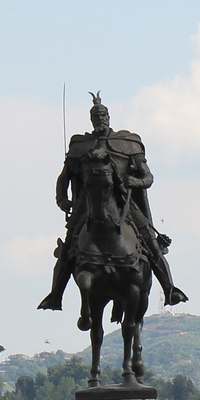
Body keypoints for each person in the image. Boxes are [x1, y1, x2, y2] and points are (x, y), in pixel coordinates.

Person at [38, 94, 186, 312]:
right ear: (91, 119)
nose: (100, 119)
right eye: (96, 116)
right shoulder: (80, 145)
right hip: (86, 206)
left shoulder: (128, 144)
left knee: (151, 245)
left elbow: (148, 177)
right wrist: (62, 199)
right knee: (69, 248)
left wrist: (134, 180)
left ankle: (170, 289)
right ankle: (55, 295)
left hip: (125, 205)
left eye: (102, 115)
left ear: (108, 116)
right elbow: (64, 177)